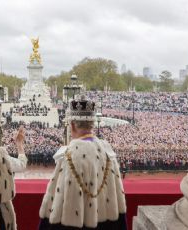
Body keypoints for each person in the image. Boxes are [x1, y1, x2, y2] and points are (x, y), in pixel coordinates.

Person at [39, 97, 127, 229]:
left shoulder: (69, 155)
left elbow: (63, 201)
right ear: (92, 124)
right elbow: (118, 200)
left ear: (72, 125)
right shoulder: (108, 152)